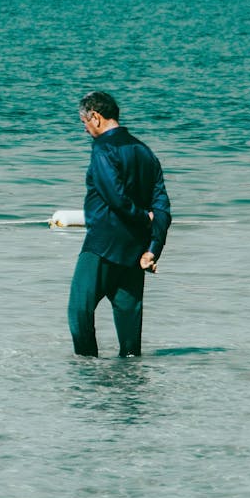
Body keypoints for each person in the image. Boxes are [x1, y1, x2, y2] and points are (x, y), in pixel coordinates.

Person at [68, 91, 171, 357]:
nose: (86, 129)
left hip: (102, 245)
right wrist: (153, 248)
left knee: (79, 309)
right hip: (134, 251)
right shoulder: (145, 151)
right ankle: (130, 385)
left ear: (96, 117)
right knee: (129, 332)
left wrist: (140, 217)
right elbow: (162, 207)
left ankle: (86, 367)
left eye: (85, 123)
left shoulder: (103, 148)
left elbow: (115, 197)